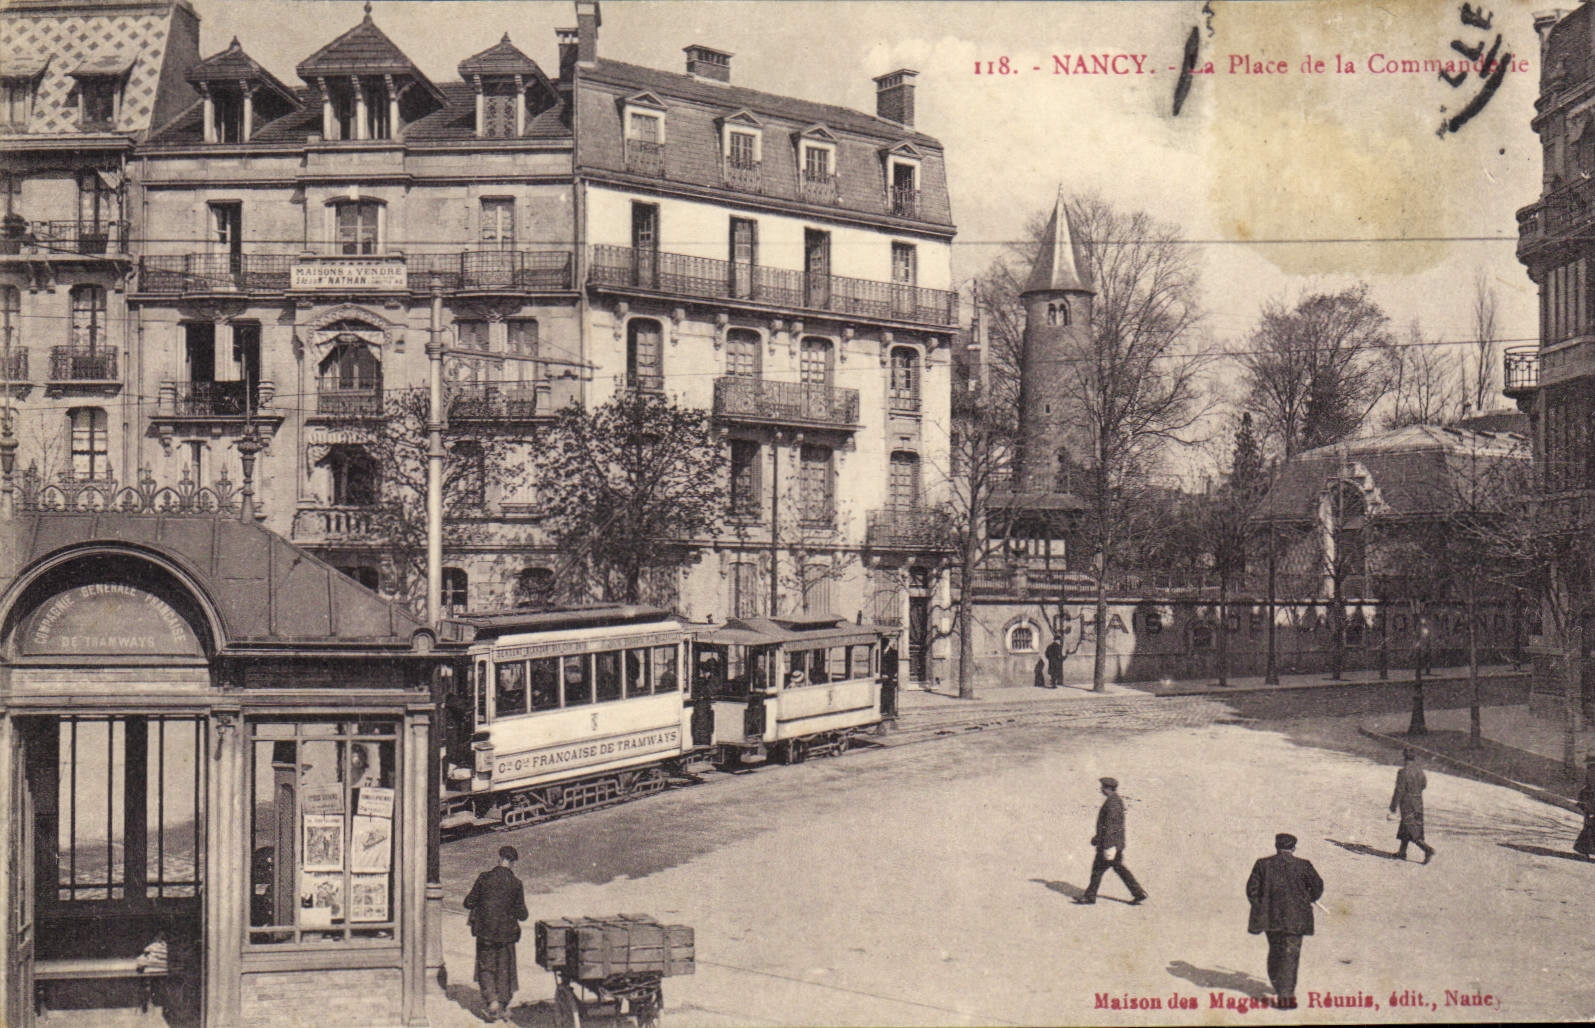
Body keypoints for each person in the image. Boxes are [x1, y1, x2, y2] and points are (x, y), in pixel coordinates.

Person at [1246, 833, 1324, 1010]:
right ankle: (1286, 997)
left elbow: (1252, 890)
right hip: (1296, 919)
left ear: (1276, 846)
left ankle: (1279, 986)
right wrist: (1308, 898)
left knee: (1275, 952)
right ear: (1293, 848)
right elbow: (1317, 887)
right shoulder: (1303, 865)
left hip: (1270, 918)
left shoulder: (1262, 864)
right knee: (1290, 956)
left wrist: (1263, 907)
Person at [464, 845, 529, 1021]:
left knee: (486, 967)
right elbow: (523, 915)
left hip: (485, 934)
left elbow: (468, 902)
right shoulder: (516, 884)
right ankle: (502, 1004)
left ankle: (491, 1002)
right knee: (505, 969)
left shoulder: (484, 878)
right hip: (507, 936)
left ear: (499, 858)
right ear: (513, 863)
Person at [1075, 777, 1148, 905]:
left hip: (1110, 845)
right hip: (1113, 843)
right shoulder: (1115, 800)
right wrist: (1097, 838)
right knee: (1118, 869)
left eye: (1103, 787)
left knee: (1098, 870)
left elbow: (1111, 826)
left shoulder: (1112, 803)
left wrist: (1108, 846)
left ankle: (1090, 897)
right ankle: (1138, 893)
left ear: (1108, 788)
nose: (1101, 790)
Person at [1389, 748, 1435, 864]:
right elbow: (1424, 785)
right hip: (1418, 802)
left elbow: (1399, 790)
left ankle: (1427, 849)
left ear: (1404, 758)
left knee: (1411, 828)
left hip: (1407, 802)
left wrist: (1393, 806)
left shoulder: (1403, 772)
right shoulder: (1420, 772)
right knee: (1408, 826)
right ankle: (1402, 852)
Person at [1575, 762, 1595, 861]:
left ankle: (1583, 849)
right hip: (1590, 802)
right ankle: (1582, 849)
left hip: (1589, 802)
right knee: (1589, 827)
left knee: (1589, 827)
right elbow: (1591, 785)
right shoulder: (1592, 769)